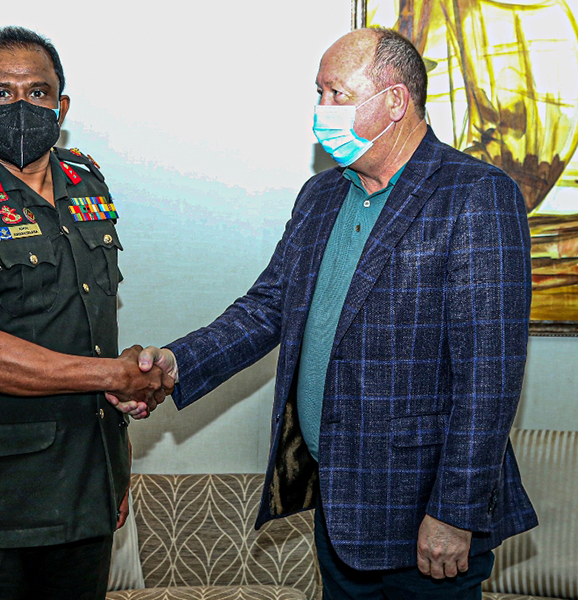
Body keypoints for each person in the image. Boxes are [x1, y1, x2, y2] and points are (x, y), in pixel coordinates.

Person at [115, 27, 537, 599]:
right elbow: (267, 309)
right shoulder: (320, 196)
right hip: (339, 504)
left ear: (395, 101)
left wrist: (455, 513)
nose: (321, 110)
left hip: (425, 518)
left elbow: (491, 375)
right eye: (318, 93)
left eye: (337, 94)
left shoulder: (476, 194)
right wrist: (173, 360)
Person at [0, 26, 173, 600]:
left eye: (38, 93)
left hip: (85, 494)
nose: (21, 106)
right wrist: (114, 375)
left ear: (61, 106)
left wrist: (113, 465)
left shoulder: (84, 182)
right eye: (1, 93)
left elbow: (84, 327)